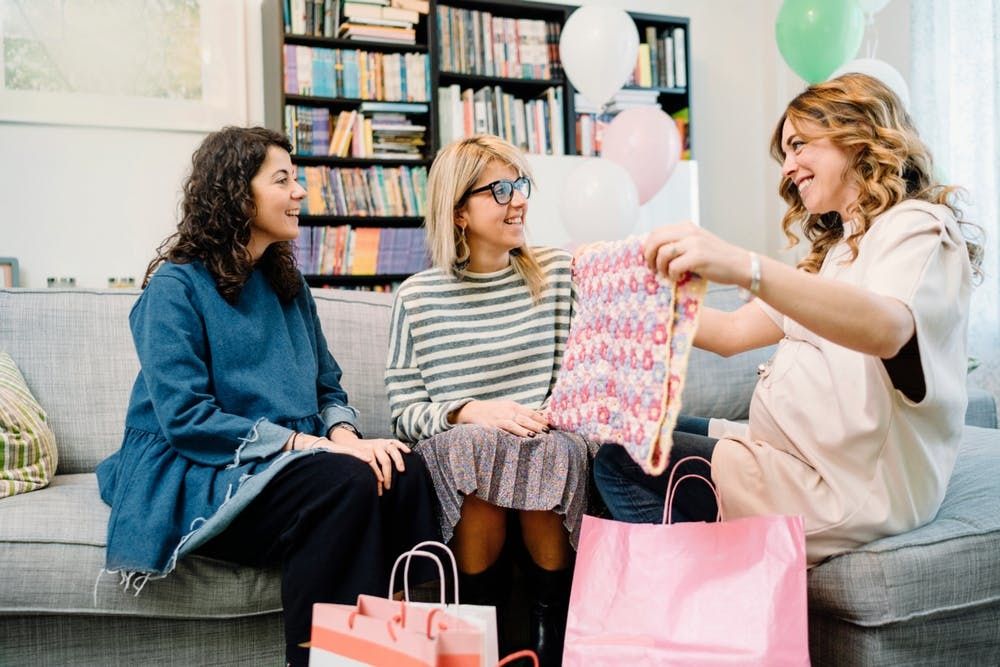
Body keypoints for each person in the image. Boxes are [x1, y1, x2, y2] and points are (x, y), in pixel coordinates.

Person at [593, 73, 982, 565]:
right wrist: (632, 303)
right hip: (797, 456)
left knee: (620, 459)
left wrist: (745, 266)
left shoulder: (918, 228)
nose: (789, 169)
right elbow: (734, 333)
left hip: (850, 486)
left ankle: (696, 600)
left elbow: (889, 328)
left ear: (856, 136)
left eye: (799, 146)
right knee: (634, 424)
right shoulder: (841, 249)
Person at [95, 126, 439, 666]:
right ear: (236, 192)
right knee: (345, 481)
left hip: (285, 465)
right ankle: (324, 659)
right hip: (205, 468)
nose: (301, 192)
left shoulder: (287, 285)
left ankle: (407, 648)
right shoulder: (174, 288)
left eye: (297, 179)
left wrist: (345, 434)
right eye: (283, 180)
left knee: (405, 470)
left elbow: (328, 384)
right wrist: (321, 448)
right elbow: (187, 420)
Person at [384, 135, 594, 665]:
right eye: (500, 189)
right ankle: (485, 624)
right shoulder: (416, 298)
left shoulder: (559, 274)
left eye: (520, 184)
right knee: (476, 446)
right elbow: (405, 412)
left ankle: (552, 627)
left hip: (546, 435)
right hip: (462, 451)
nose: (518, 199)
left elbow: (582, 374)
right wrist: (469, 410)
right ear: (458, 211)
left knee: (546, 448)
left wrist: (547, 414)